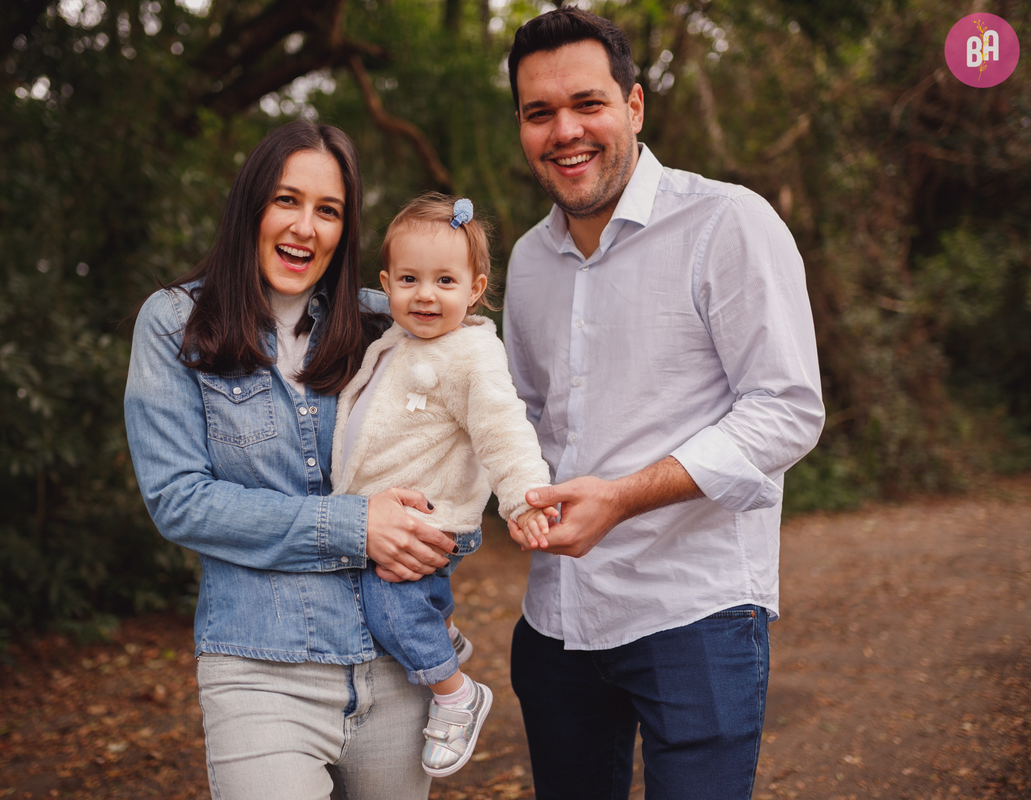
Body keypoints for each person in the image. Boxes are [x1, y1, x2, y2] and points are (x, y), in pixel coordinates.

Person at [501, 8, 826, 800]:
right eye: (540, 113)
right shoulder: (525, 260)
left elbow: (787, 408)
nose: (565, 131)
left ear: (635, 106)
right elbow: (518, 417)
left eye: (588, 104)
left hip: (696, 614)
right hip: (559, 622)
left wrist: (620, 497)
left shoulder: (727, 222)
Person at [124, 120, 461, 800]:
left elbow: (466, 420)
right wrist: (352, 526)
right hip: (258, 667)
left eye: (328, 210)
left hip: (397, 668)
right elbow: (180, 499)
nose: (306, 226)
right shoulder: (172, 324)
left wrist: (444, 539)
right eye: (287, 200)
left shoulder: (385, 325)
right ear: (251, 206)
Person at [330, 193, 555, 777]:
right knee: (401, 602)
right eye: (409, 279)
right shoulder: (393, 340)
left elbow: (503, 428)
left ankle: (456, 693)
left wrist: (524, 498)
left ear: (476, 288)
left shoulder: (473, 355)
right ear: (386, 283)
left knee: (390, 606)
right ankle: (443, 636)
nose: (425, 294)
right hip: (385, 513)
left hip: (432, 520)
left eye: (444, 281)